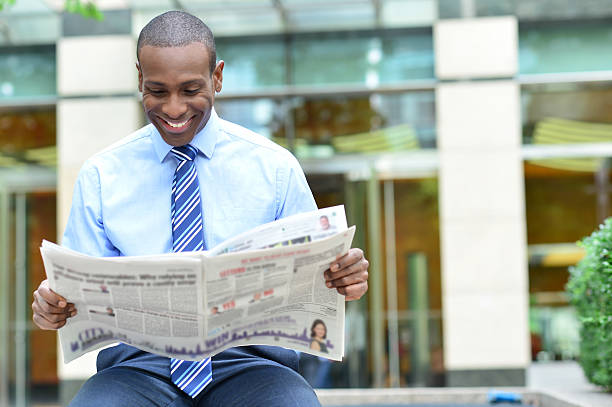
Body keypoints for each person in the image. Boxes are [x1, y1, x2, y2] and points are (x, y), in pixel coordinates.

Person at [31, 10, 369, 407]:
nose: (174, 109)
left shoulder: (275, 168)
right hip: (137, 369)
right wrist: (52, 304)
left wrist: (344, 277)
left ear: (217, 78)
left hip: (253, 367)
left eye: (190, 90)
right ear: (140, 80)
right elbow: (74, 289)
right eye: (157, 91)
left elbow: (317, 277)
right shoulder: (102, 175)